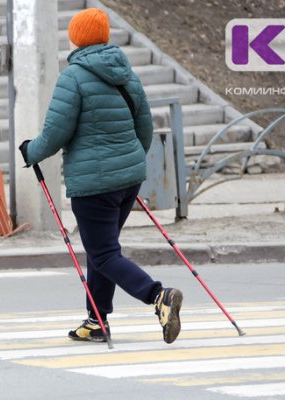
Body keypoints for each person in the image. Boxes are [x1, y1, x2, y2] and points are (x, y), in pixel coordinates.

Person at [18, 8, 183, 344]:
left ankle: (157, 297)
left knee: (104, 253)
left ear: (77, 38)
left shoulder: (73, 77)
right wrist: (130, 161)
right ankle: (97, 321)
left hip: (94, 184)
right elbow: (145, 128)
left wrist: (29, 151)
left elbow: (55, 134)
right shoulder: (126, 73)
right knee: (102, 250)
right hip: (128, 178)